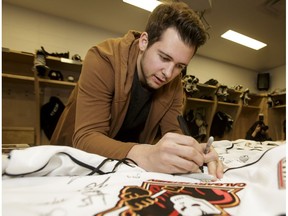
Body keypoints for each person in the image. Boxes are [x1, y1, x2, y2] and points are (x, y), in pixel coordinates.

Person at [51, 2, 223, 179]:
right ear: (144, 41)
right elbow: (86, 138)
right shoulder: (103, 58)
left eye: (180, 66)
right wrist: (147, 154)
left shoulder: (175, 83)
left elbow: (173, 132)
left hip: (126, 168)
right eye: (164, 57)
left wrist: (192, 151)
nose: (169, 73)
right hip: (73, 165)